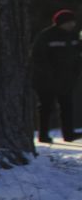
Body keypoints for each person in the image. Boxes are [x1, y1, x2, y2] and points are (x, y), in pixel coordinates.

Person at [32, 8, 79, 143]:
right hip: (46, 80)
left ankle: (69, 134)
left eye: (72, 22)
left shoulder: (73, 36)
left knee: (67, 106)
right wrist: (48, 74)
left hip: (66, 79)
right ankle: (43, 135)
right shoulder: (46, 36)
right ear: (60, 23)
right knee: (46, 107)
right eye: (68, 22)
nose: (72, 25)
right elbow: (38, 57)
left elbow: (76, 55)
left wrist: (75, 72)